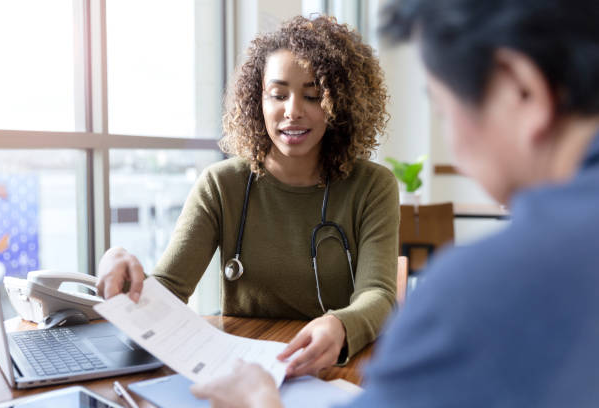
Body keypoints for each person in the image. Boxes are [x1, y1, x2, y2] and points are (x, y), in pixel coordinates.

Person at [189, 0, 599, 406]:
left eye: (444, 109)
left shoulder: (483, 290)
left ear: (520, 90)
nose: (455, 148)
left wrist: (258, 403)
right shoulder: (224, 184)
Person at [97, 15, 399, 378]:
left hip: (332, 369)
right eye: (278, 94)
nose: (293, 110)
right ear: (258, 100)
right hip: (243, 370)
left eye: (313, 95)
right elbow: (168, 290)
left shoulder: (372, 186)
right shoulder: (221, 185)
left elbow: (379, 294)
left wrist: (341, 325)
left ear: (340, 105)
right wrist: (120, 268)